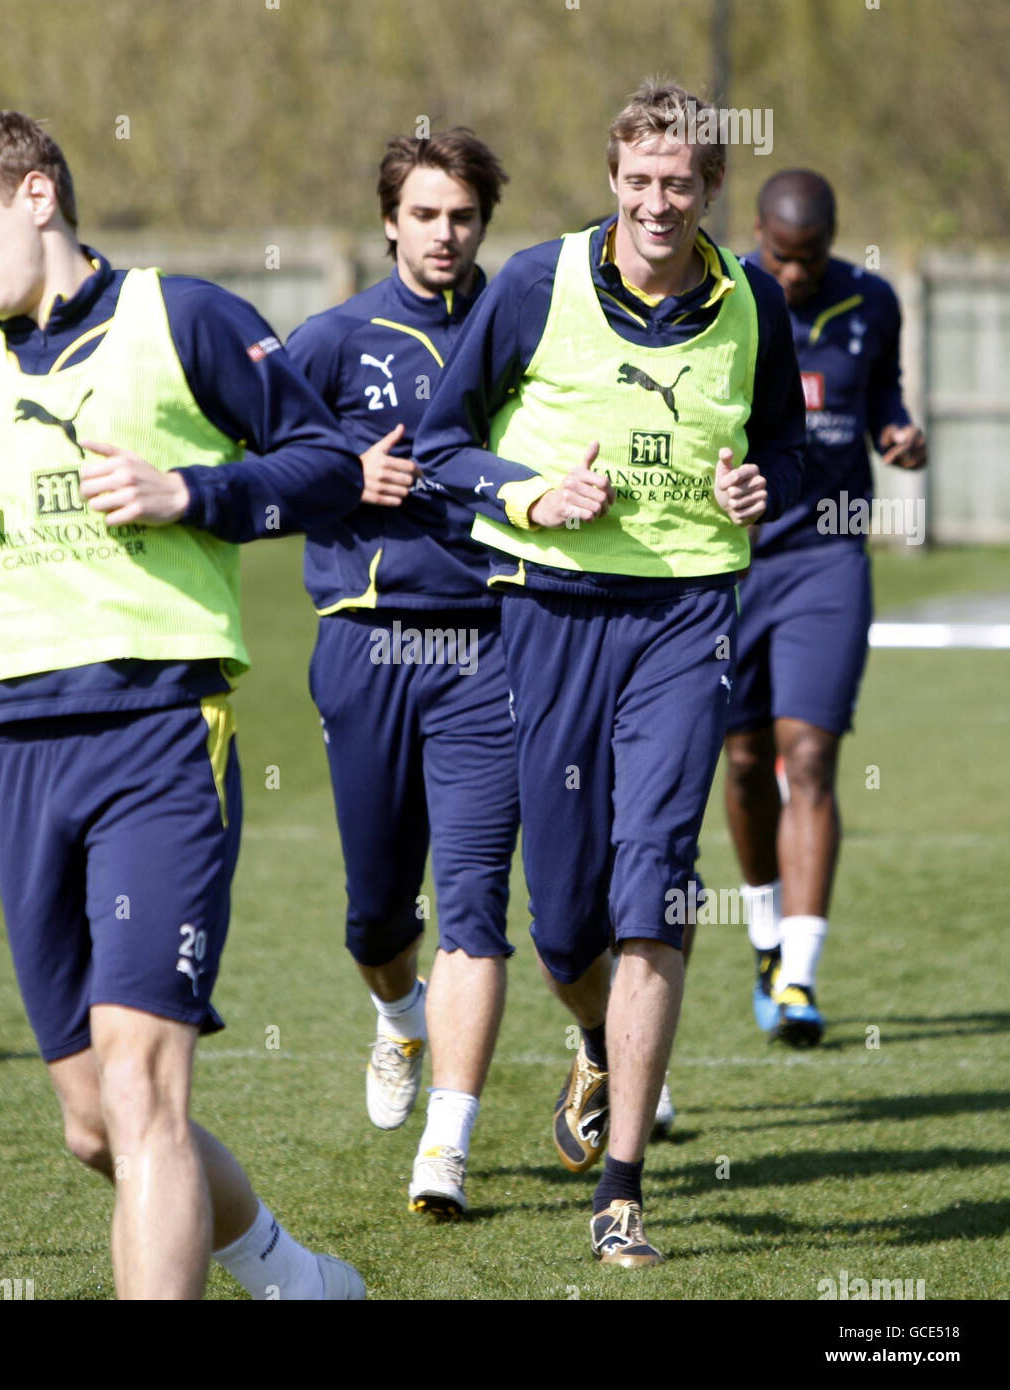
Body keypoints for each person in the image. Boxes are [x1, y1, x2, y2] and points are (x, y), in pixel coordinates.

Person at [0, 109, 366, 1300]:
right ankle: (291, 1274)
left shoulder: (185, 317)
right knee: (96, 1123)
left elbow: (326, 465)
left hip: (159, 736)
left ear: (38, 195)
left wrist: (192, 490)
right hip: (17, 753)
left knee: (147, 1090)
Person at [415, 80, 806, 1265]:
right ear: (611, 180)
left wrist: (763, 489)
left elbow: (784, 444)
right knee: (564, 920)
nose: (655, 204)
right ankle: (593, 1040)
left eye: (678, 185)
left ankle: (621, 1191)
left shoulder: (754, 308)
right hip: (552, 609)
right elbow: (442, 447)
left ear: (711, 190)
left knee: (655, 879)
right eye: (636, 182)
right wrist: (533, 492)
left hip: (688, 615)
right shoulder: (536, 284)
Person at [286, 130, 517, 1217]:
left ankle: (447, 1148)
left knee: (475, 901)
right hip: (367, 644)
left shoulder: (522, 330)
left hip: (489, 644)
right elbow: (255, 477)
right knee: (378, 915)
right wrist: (342, 472)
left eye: (463, 215)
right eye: (425, 214)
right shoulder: (329, 340)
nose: (445, 234)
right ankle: (396, 1015)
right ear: (391, 219)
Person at [724, 170, 927, 1046]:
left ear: (832, 241)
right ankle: (764, 935)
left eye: (808, 259)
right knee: (743, 760)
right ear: (757, 237)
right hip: (726, 561)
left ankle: (799, 975)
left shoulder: (872, 301)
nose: (793, 275)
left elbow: (882, 390)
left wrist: (897, 429)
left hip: (827, 557)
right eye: (779, 256)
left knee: (807, 757)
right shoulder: (722, 293)